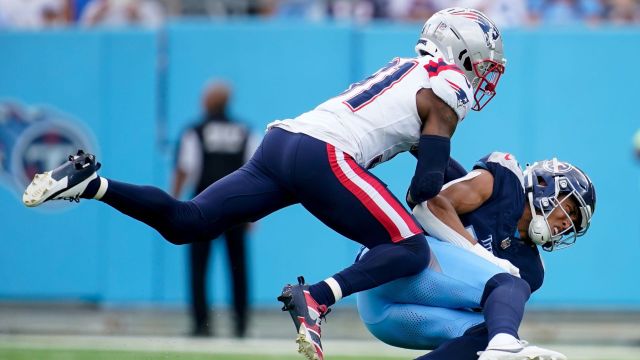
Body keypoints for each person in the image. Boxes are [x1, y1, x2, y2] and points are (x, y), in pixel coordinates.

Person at [22, 8, 506, 360]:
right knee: (410, 247)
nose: (483, 75)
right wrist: (479, 252)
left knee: (188, 222)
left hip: (284, 142)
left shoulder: (408, 69)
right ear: (460, 51)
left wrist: (482, 181)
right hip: (325, 155)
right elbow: (424, 190)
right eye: (483, 62)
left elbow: (437, 164)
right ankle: (316, 296)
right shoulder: (449, 87)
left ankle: (93, 184)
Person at [357, 153, 596, 360]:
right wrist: (487, 259)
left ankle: (502, 342)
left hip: (395, 318)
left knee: (489, 337)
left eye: (574, 223)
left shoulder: (532, 270)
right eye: (571, 210)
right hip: (388, 271)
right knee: (509, 288)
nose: (567, 223)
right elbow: (428, 206)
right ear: (545, 184)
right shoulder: (502, 182)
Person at [172, 81, 258, 338]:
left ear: (208, 101)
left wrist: (172, 206)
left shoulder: (194, 131)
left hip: (201, 209)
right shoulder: (245, 131)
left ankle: (201, 324)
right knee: (238, 268)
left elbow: (184, 170)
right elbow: (256, 171)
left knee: (199, 267)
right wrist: (255, 211)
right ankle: (241, 324)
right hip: (237, 209)